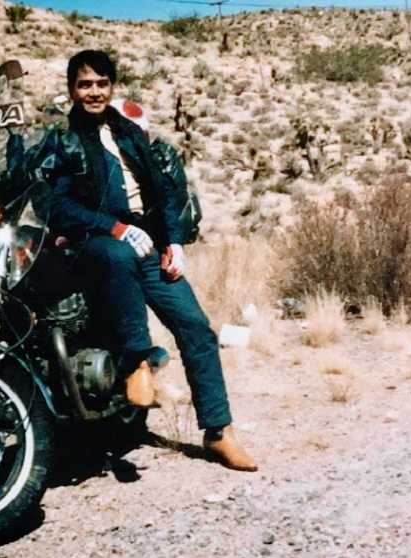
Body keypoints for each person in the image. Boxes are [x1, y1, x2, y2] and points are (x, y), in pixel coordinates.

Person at [49, 49, 257, 472]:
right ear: (72, 88)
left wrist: (174, 241)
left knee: (196, 326)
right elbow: (57, 205)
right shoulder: (63, 138)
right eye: (85, 84)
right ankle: (137, 362)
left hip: (149, 243)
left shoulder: (129, 131)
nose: (94, 92)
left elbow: (162, 189)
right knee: (116, 253)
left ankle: (219, 431)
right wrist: (115, 228)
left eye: (101, 83)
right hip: (100, 242)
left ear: (112, 86)